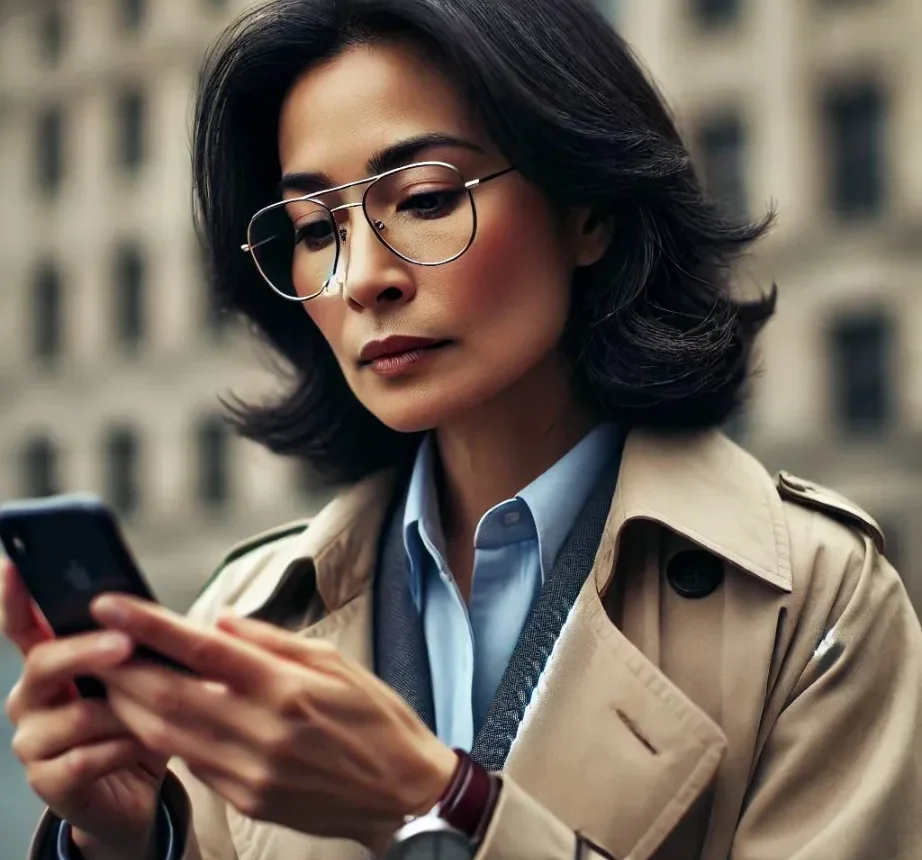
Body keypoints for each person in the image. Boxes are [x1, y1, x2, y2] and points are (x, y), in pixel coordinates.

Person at [3, 0, 921, 858]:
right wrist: (127, 839)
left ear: (587, 210)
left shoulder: (817, 598)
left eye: (426, 199)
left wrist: (438, 804)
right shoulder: (248, 610)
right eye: (316, 228)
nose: (363, 277)